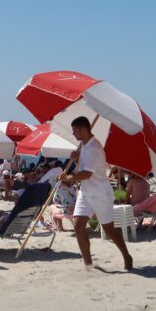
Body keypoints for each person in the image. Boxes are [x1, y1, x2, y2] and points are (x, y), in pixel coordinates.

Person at [60, 116, 133, 271]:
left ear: (83, 129)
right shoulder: (84, 145)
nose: (73, 134)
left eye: (75, 131)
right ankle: (88, 264)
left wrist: (68, 178)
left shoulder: (94, 147)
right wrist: (77, 157)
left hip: (100, 193)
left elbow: (87, 174)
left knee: (109, 229)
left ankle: (126, 255)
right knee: (78, 225)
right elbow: (83, 168)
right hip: (86, 192)